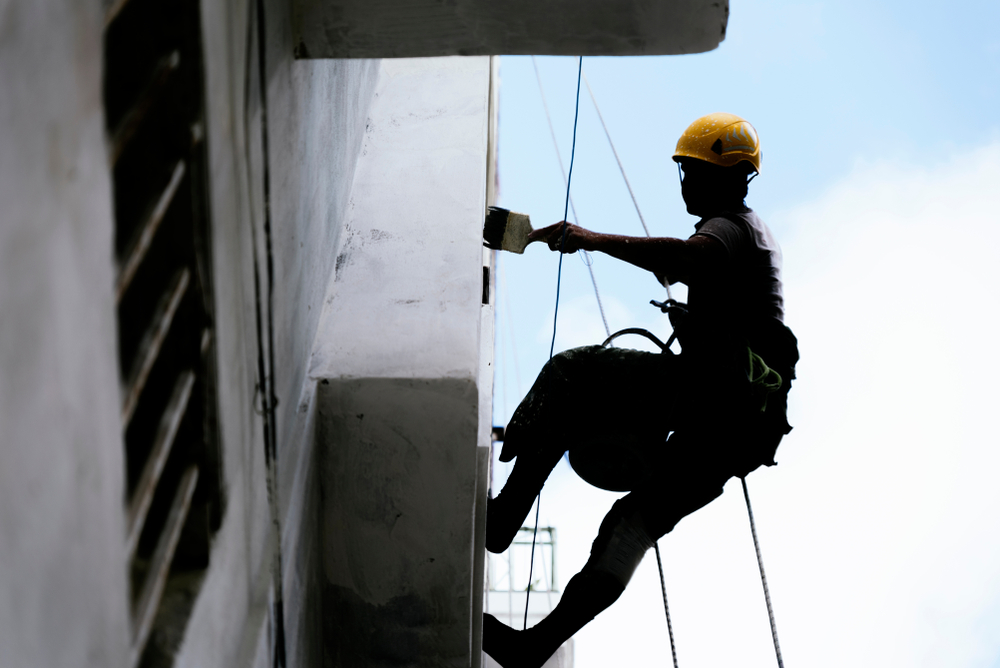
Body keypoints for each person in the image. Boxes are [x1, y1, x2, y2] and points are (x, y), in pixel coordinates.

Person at [482, 113, 799, 668]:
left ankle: (503, 517)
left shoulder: (728, 227)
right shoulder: (746, 236)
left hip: (714, 396)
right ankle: (533, 647)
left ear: (724, 178)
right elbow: (689, 268)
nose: (686, 185)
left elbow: (686, 258)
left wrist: (590, 239)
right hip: (742, 429)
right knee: (632, 526)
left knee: (572, 374)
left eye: (693, 172)